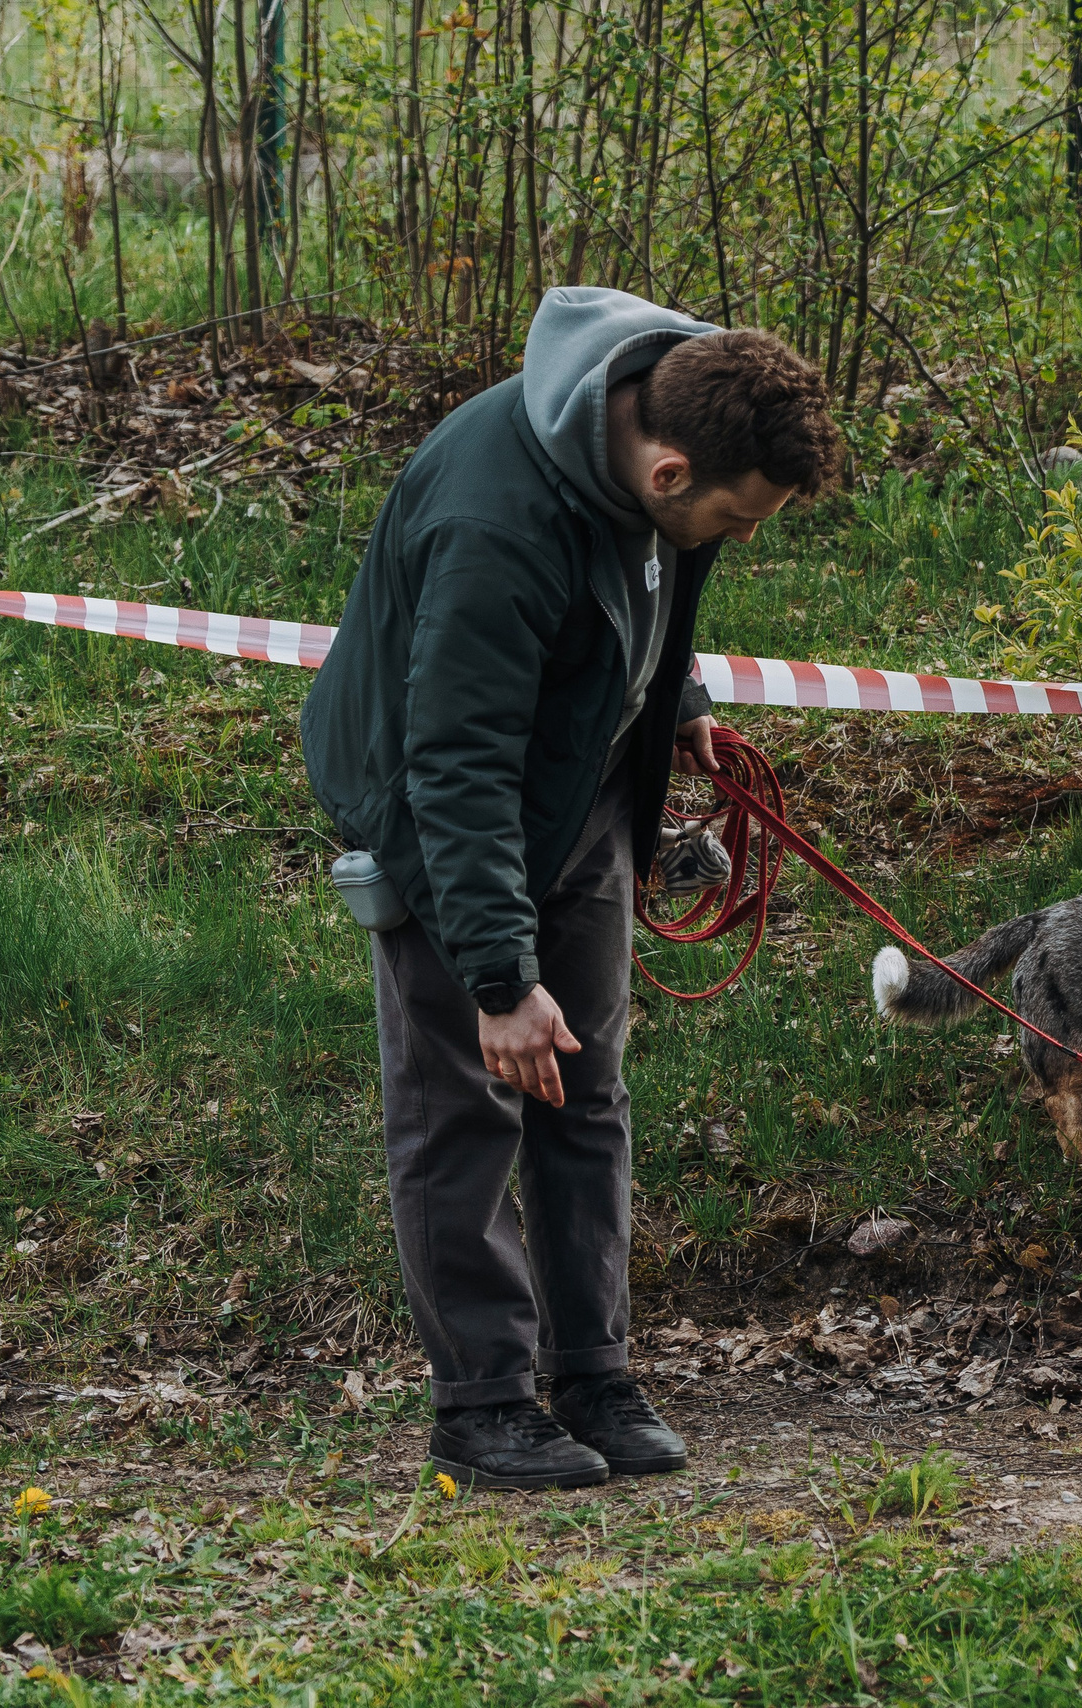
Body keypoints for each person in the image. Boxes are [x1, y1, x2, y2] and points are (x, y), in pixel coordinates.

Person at [301, 288, 841, 1489]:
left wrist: (677, 701)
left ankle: (591, 1368)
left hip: (580, 784)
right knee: (468, 1105)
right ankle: (483, 1401)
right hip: (439, 814)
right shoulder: (495, 523)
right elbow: (457, 762)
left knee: (584, 1091)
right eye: (732, 515)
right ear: (663, 470)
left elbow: (654, 580)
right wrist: (499, 978)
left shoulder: (669, 413)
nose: (738, 538)